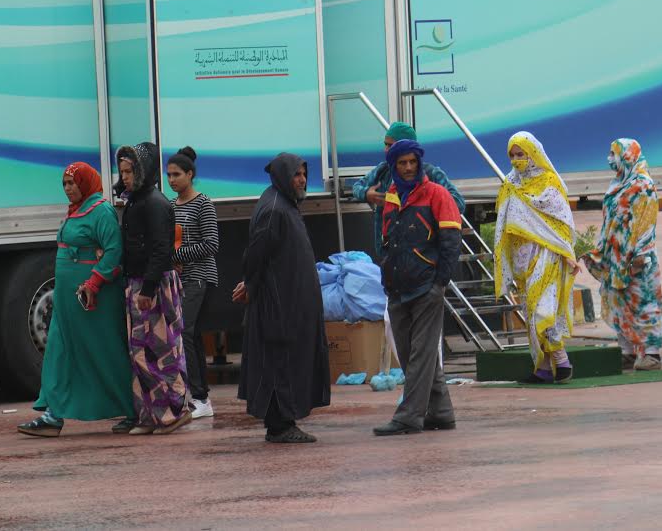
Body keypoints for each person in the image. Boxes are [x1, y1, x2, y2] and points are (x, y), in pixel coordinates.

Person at [18, 162, 135, 437]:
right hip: (68, 299)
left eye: (72, 183)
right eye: (65, 184)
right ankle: (53, 415)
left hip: (93, 300)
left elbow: (113, 251)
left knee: (103, 351)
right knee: (59, 350)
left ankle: (132, 409)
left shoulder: (101, 211)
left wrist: (93, 283)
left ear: (85, 183)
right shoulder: (76, 210)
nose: (68, 189)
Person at [235, 153, 331, 444]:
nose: (302, 180)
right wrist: (250, 284)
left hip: (290, 302)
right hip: (279, 305)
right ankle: (280, 426)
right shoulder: (275, 209)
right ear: (282, 176)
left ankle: (282, 422)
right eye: (296, 175)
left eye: (304, 174)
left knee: (286, 361)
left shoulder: (284, 204)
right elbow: (256, 254)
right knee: (281, 363)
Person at [374, 139, 462, 436]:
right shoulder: (392, 196)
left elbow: (451, 242)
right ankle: (441, 413)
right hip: (397, 289)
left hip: (426, 288)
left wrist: (439, 283)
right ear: (394, 166)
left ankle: (408, 417)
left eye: (413, 162)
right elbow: (387, 240)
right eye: (402, 163)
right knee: (412, 353)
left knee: (420, 356)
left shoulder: (437, 194)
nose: (409, 167)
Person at [116, 142, 192, 434]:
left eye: (130, 171)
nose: (124, 177)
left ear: (143, 170)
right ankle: (149, 415)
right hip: (137, 284)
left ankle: (175, 411)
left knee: (163, 350)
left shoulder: (155, 203)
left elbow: (161, 249)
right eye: (122, 171)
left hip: (153, 286)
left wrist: (147, 289)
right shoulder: (136, 200)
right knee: (139, 353)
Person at [493, 131, 579, 384]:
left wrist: (566, 250)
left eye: (521, 154)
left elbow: (562, 222)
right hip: (522, 257)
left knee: (543, 308)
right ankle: (542, 368)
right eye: (512, 155)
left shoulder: (549, 182)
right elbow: (503, 222)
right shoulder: (511, 183)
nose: (516, 160)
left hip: (547, 254)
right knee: (530, 310)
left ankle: (561, 360)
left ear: (533, 154)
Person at [583, 138, 662, 371]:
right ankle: (627, 351)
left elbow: (646, 222)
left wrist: (641, 254)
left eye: (614, 154)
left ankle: (651, 354)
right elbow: (610, 221)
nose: (610, 158)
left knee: (643, 302)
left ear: (627, 156)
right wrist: (600, 250)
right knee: (619, 302)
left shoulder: (643, 185)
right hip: (616, 257)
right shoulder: (618, 184)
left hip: (638, 257)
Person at [351, 121, 465, 257]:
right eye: (385, 144)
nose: (386, 150)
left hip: (421, 258)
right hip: (388, 255)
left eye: (390, 145)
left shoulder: (431, 174)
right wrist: (366, 194)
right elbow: (356, 187)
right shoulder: (384, 170)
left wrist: (426, 207)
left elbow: (458, 203)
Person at [167, 146, 220, 419]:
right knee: (192, 334)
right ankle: (200, 398)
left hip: (199, 277)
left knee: (185, 332)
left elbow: (211, 244)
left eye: (176, 174)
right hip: (178, 279)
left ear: (190, 174)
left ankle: (199, 397)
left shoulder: (203, 203)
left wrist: (177, 256)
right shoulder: (170, 206)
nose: (171, 180)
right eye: (168, 175)